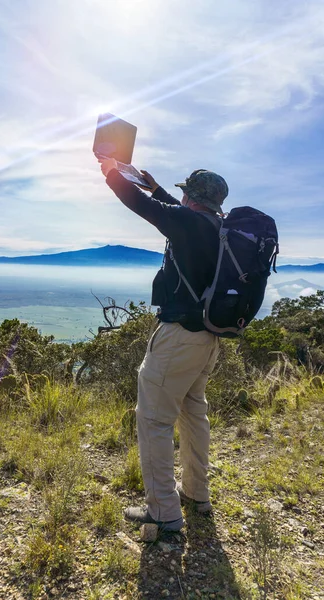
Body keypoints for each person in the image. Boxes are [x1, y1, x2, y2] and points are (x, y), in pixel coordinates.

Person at [99, 157, 229, 531]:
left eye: (185, 193)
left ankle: (163, 512)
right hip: (208, 338)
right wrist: (155, 187)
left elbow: (141, 206)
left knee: (154, 420)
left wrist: (110, 171)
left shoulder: (188, 223)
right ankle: (196, 493)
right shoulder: (216, 226)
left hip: (177, 339)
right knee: (193, 411)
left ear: (191, 198)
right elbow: (171, 210)